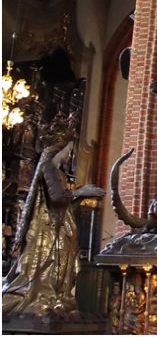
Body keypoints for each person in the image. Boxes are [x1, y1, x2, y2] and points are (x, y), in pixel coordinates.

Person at [2, 113, 104, 316]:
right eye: (69, 149)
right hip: (46, 225)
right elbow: (56, 196)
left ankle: (55, 296)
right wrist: (80, 192)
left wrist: (80, 192)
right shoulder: (48, 167)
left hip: (59, 223)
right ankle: (40, 297)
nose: (70, 154)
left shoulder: (60, 172)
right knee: (46, 262)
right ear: (61, 147)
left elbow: (62, 197)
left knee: (63, 260)